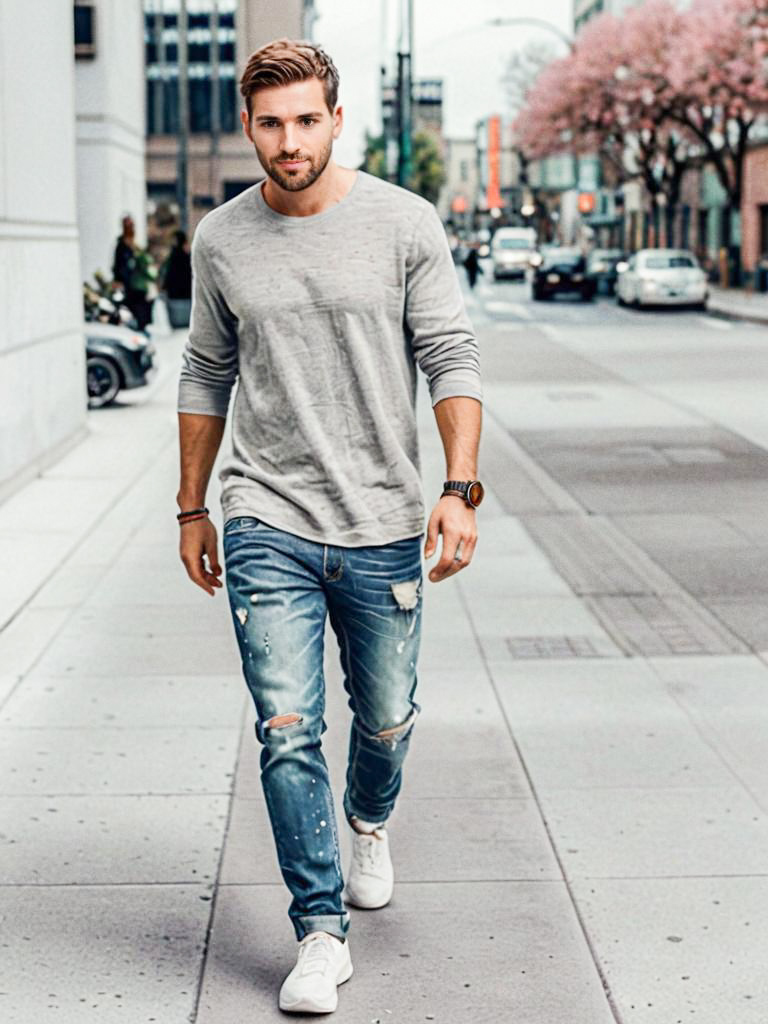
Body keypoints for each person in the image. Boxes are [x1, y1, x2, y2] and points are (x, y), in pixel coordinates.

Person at [176, 38, 483, 1015]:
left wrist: (460, 486)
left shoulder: (403, 223)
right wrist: (192, 503)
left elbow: (449, 352)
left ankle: (368, 817)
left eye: (307, 119)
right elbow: (204, 371)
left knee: (385, 717)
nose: (290, 140)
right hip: (265, 511)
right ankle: (318, 931)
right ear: (247, 126)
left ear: (336, 119)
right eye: (271, 122)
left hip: (384, 518)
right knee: (286, 726)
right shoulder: (221, 240)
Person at [112, 215, 155, 330]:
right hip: (128, 285)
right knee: (129, 311)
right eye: (128, 225)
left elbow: (145, 265)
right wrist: (118, 281)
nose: (130, 228)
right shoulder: (121, 245)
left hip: (138, 285)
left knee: (141, 312)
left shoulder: (135, 245)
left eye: (131, 225)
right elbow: (118, 265)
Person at [162, 230, 193, 327]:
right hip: (188, 298)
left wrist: (164, 288)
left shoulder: (172, 258)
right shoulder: (189, 258)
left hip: (175, 298)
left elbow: (167, 276)